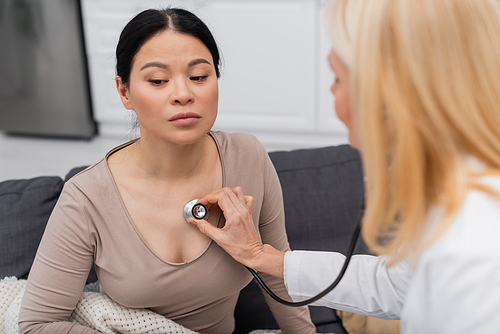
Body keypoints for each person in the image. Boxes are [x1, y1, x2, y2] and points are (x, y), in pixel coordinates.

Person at [191, 0, 500, 333]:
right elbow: (395, 286)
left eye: (338, 78)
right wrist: (261, 255)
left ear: (389, 95)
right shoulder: (455, 201)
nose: (332, 92)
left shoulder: (472, 247)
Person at [18, 8, 315, 334]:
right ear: (124, 92)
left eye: (199, 76)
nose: (183, 94)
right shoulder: (87, 197)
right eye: (158, 80)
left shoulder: (248, 157)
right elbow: (37, 324)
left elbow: (276, 270)